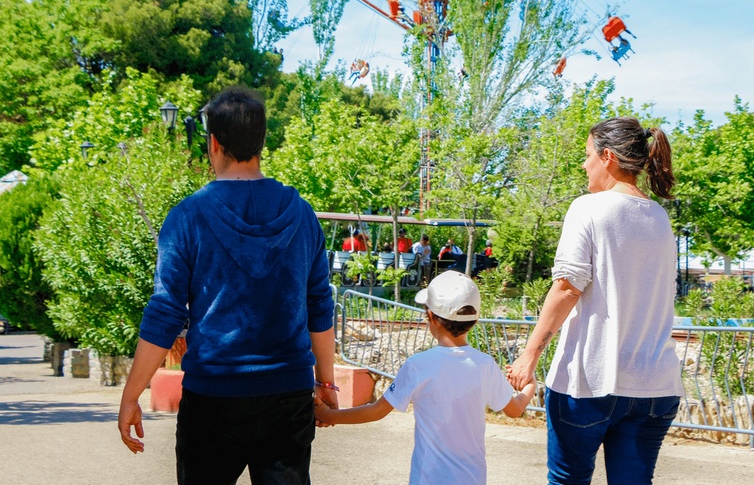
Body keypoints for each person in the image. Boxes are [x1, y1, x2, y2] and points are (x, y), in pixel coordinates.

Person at [117, 86, 337, 485]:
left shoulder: (187, 217)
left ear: (213, 142)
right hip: (287, 397)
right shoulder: (302, 215)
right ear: (262, 141)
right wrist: (326, 381)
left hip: (213, 398)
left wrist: (132, 394)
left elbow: (165, 313)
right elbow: (319, 305)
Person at [507, 117, 684, 485]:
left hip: (589, 381)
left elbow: (568, 288)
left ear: (607, 157)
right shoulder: (659, 217)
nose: (583, 165)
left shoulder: (589, 207)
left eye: (587, 156)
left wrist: (529, 354)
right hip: (655, 384)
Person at [314, 271, 537, 485]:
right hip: (474, 478)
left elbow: (376, 411)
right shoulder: (485, 364)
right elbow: (515, 409)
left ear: (431, 316)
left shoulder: (418, 365)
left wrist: (330, 415)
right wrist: (531, 385)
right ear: (475, 321)